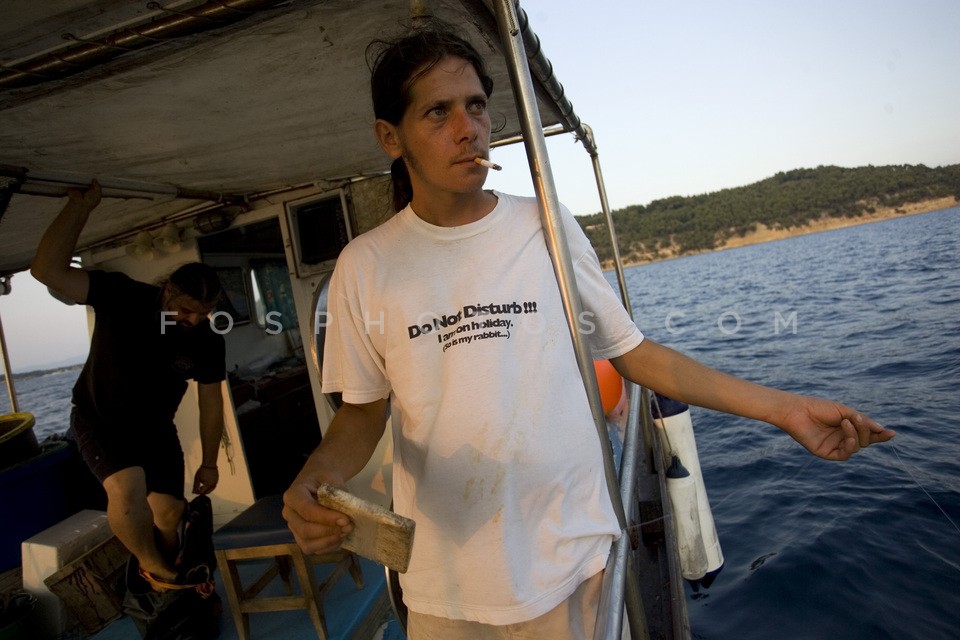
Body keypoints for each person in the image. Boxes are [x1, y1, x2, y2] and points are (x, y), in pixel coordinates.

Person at [282, 27, 896, 639]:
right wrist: (317, 475)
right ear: (390, 137)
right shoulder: (366, 266)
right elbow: (363, 412)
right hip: (448, 589)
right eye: (437, 112)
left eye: (476, 105)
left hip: (572, 565)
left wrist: (784, 410)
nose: (468, 128)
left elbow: (633, 354)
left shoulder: (543, 225)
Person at [31, 181, 227, 588]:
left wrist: (209, 462)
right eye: (187, 310)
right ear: (168, 291)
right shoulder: (122, 295)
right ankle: (156, 570)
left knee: (170, 514)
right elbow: (46, 271)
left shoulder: (207, 339)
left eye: (205, 312)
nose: (194, 320)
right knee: (127, 487)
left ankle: (168, 565)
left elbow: (211, 403)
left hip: (155, 431)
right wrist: (79, 209)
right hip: (99, 419)